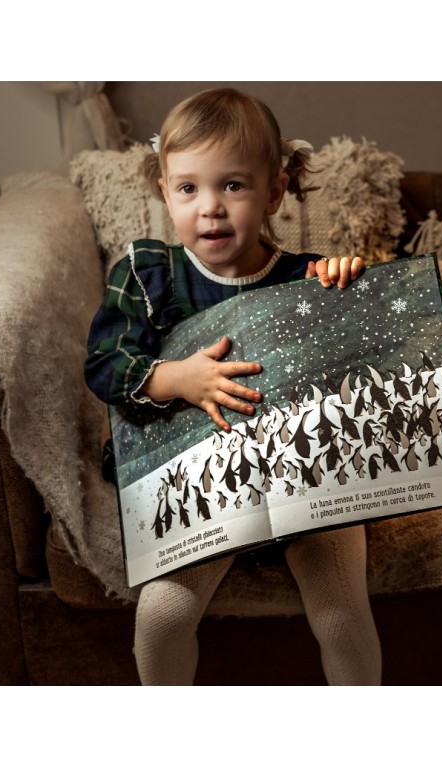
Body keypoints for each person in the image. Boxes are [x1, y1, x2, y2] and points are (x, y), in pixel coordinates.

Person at [84, 87, 382, 685]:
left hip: (305, 484)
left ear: (274, 191)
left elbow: (366, 358)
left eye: (234, 186)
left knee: (341, 616)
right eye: (188, 188)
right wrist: (176, 377)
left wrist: (351, 288)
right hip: (200, 485)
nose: (211, 208)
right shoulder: (149, 275)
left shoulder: (307, 278)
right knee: (163, 616)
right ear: (164, 191)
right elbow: (104, 364)